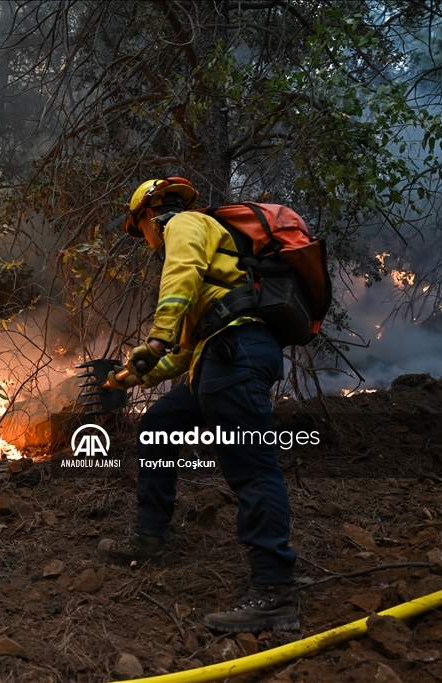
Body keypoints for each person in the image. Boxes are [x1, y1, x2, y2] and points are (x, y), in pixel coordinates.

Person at [97, 177, 299, 634]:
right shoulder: (209, 266)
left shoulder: (185, 224)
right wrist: (135, 374)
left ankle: (275, 592)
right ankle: (149, 537)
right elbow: (186, 353)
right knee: (159, 426)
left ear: (147, 215)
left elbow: (180, 279)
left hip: (237, 352)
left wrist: (156, 336)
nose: (144, 241)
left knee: (251, 467)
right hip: (217, 356)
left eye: (137, 230)